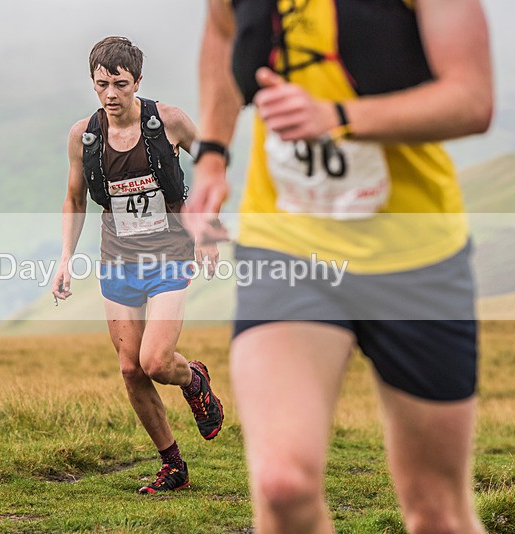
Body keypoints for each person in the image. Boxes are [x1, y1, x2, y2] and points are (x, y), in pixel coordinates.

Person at [186, 0, 493, 532]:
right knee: (282, 484)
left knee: (436, 510)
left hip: (414, 257)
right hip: (286, 244)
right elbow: (221, 32)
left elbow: (472, 98)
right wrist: (213, 152)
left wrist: (339, 118)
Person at [52, 36, 225, 494]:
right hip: (118, 259)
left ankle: (194, 379)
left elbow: (211, 164)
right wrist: (65, 258)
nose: (110, 94)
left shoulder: (167, 121)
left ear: (137, 82)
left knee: (155, 360)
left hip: (169, 253)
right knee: (130, 369)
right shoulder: (83, 136)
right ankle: (174, 466)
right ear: (93, 82)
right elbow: (73, 198)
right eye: (101, 84)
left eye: (120, 84)